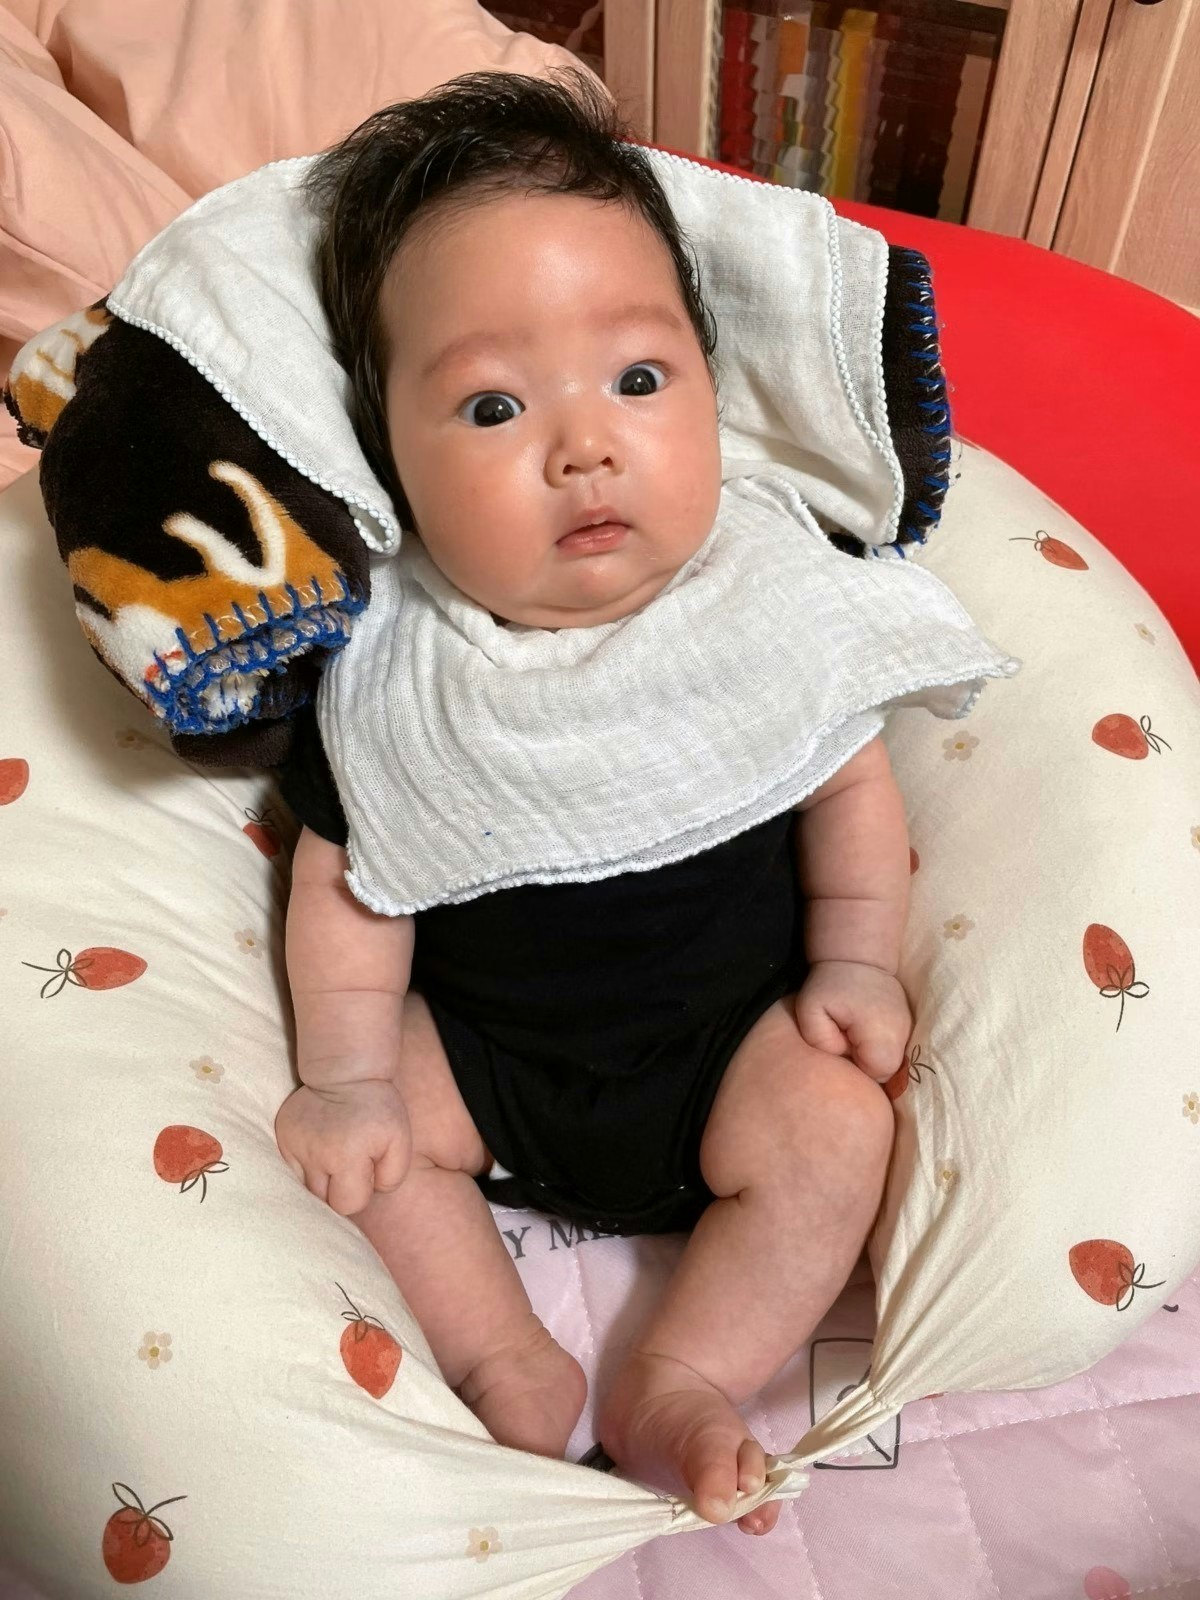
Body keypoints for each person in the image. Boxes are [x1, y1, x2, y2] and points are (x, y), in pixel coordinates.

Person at [274, 68, 1001, 1537]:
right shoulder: (398, 666)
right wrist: (348, 1076)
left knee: (835, 1132)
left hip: (731, 1052)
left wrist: (857, 963)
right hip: (488, 1060)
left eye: (640, 379)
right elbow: (350, 883)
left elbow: (847, 788)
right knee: (380, 1128)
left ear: (713, 390)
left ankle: (683, 1373)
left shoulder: (769, 596)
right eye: (492, 405)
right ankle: (502, 1357)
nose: (584, 445)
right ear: (389, 457)